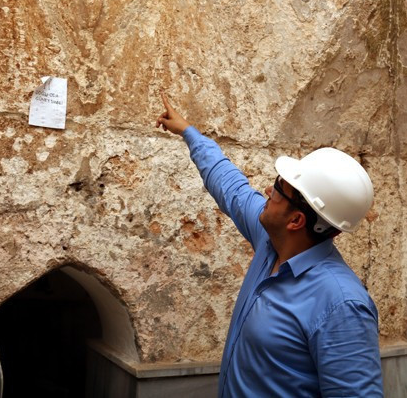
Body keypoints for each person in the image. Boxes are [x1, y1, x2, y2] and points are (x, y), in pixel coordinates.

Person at [156, 93, 383, 397]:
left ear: (296, 221)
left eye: (278, 188)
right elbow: (230, 187)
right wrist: (189, 132)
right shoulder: (271, 243)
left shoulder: (341, 304)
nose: (266, 190)